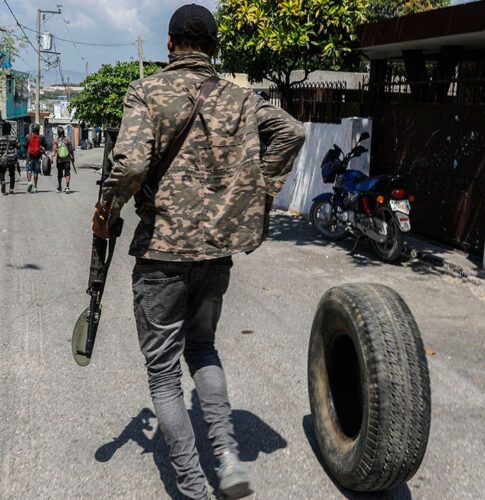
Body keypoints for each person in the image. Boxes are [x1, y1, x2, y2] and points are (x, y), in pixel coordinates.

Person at [95, 5, 305, 499]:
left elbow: (128, 167)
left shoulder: (146, 91)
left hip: (163, 255)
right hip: (215, 255)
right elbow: (291, 132)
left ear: (170, 45)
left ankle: (191, 483)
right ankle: (228, 458)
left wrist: (109, 207)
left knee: (164, 371)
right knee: (203, 348)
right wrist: (257, 190)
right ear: (214, 48)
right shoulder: (241, 98)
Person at [0, 121, 19, 195]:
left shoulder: (0, 139)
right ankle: (11, 189)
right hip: (12, 159)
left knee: (1, 172)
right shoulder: (13, 138)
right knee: (12, 174)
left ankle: (3, 181)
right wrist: (14, 145)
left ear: (3, 129)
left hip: (3, 159)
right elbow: (19, 146)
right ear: (10, 129)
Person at [24, 123, 47, 193]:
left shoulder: (27, 136)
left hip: (29, 157)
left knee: (29, 171)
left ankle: (29, 182)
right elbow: (46, 145)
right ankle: (35, 186)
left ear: (31, 129)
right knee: (36, 172)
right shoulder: (41, 137)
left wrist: (26, 151)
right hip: (37, 157)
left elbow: (24, 146)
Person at [52, 126, 74, 193]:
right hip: (67, 160)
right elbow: (71, 150)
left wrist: (51, 158)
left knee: (59, 174)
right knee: (67, 173)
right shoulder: (67, 139)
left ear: (58, 133)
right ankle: (67, 187)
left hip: (59, 160)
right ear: (63, 132)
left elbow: (54, 151)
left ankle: (59, 187)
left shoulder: (56, 140)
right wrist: (72, 158)